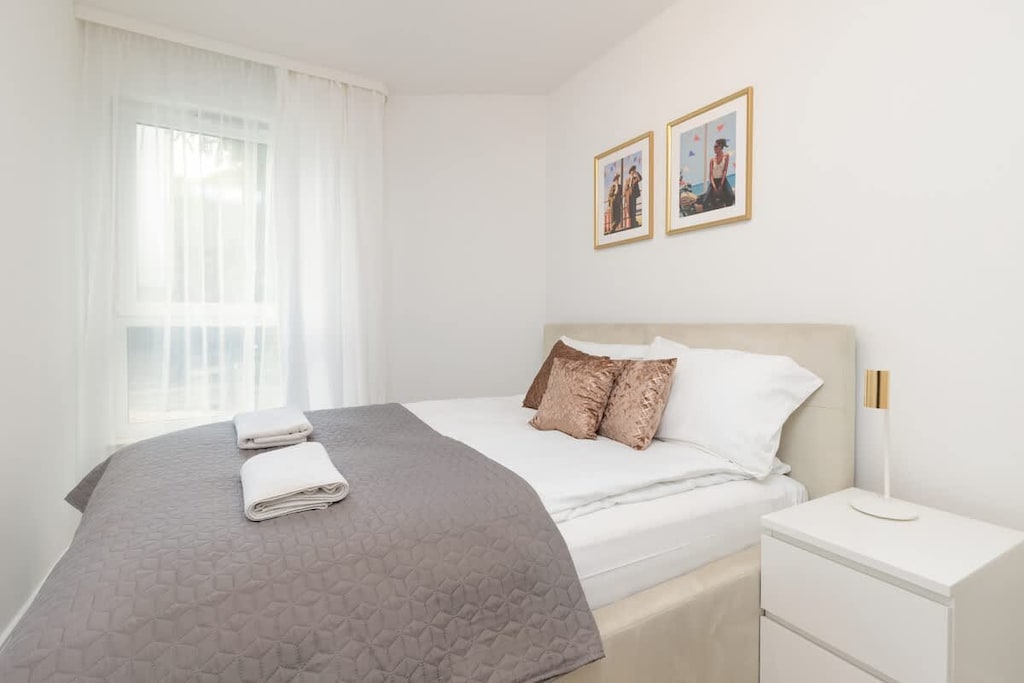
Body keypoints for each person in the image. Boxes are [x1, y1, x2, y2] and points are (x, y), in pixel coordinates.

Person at [702, 138, 735, 211]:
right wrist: (714, 186)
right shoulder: (712, 160)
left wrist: (721, 184)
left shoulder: (726, 156)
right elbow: (710, 175)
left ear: (721, 147)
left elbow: (725, 171)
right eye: (714, 146)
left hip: (722, 180)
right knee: (705, 201)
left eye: (716, 146)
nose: (714, 148)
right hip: (713, 181)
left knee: (731, 196)